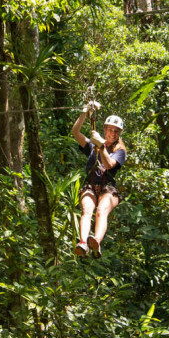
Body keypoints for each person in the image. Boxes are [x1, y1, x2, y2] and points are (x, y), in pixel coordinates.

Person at [72, 102, 127, 258]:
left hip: (108, 188)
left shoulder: (120, 151)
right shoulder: (92, 146)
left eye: (116, 131)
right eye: (110, 130)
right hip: (90, 185)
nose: (113, 133)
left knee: (101, 212)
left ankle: (96, 241)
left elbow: (109, 165)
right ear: (105, 129)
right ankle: (83, 243)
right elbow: (75, 132)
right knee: (86, 211)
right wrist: (85, 112)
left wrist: (102, 147)